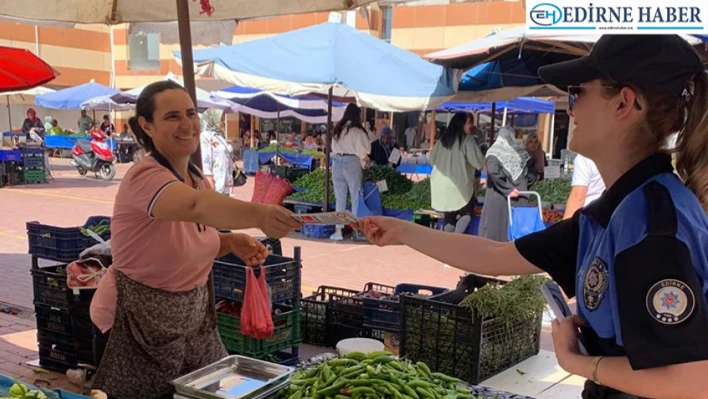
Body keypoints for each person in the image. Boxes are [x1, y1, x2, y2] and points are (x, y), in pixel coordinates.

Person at [357, 35, 708, 399]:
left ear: (624, 103)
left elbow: (692, 382)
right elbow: (495, 257)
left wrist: (578, 363)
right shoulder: (616, 211)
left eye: (578, 93)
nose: (571, 108)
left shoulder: (652, 226)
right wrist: (401, 231)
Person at [89, 80, 301, 399]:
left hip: (192, 327)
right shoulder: (144, 178)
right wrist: (259, 215)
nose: (187, 124)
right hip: (134, 328)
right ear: (146, 125)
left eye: (191, 113)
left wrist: (230, 243)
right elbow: (195, 208)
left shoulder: (197, 179)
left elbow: (190, 234)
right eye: (172, 116)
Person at [478, 127, 537, 242]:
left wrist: (507, 189)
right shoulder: (522, 153)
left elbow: (493, 171)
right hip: (520, 198)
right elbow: (533, 173)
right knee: (517, 236)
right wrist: (523, 185)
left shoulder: (494, 153)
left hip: (497, 199)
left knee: (495, 236)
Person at [430, 113, 484, 234]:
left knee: (449, 215)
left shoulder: (442, 140)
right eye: (469, 123)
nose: (471, 126)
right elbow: (478, 162)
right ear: (461, 124)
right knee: (466, 213)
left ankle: (448, 241)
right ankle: (457, 237)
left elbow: (432, 159)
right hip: (460, 184)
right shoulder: (467, 140)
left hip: (442, 184)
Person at [330, 103, 371, 241]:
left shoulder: (338, 129)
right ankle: (356, 229)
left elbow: (332, 147)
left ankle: (338, 231)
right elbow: (362, 151)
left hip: (336, 162)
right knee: (355, 196)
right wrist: (366, 160)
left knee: (340, 198)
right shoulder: (357, 131)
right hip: (351, 163)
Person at [200, 109, 235, 196]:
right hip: (216, 182)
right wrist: (209, 180)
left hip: (226, 182)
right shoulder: (205, 136)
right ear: (212, 120)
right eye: (221, 120)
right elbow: (206, 160)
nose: (224, 122)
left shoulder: (219, 136)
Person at [563, 154, 605, 220]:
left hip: (589, 216)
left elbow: (577, 198)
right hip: (610, 213)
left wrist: (565, 227)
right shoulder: (616, 155)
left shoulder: (584, 158)